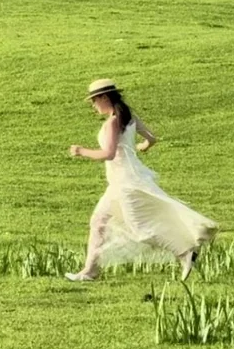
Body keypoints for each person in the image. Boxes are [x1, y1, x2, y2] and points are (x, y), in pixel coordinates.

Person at [65, 78, 217, 282]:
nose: (93, 106)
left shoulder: (112, 122)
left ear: (104, 97)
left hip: (124, 184)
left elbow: (108, 153)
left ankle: (185, 252)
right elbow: (151, 138)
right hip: (122, 181)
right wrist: (143, 146)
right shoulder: (128, 116)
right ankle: (89, 271)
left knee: (141, 229)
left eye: (94, 101)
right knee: (98, 222)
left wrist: (81, 151)